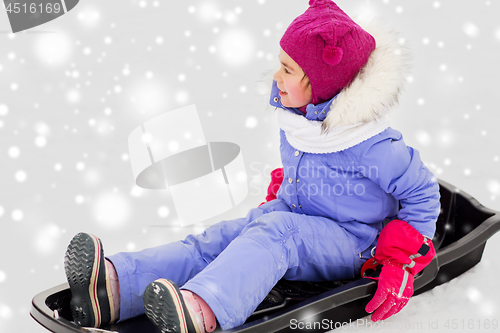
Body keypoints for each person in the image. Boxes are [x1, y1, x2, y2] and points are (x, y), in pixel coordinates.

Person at [63, 1, 441, 332]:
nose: (277, 76)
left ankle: (205, 309)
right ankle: (116, 288)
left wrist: (398, 260)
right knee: (225, 237)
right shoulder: (301, 120)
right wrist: (291, 188)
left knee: (279, 232)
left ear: (322, 84)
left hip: (356, 243)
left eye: (288, 70)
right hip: (299, 215)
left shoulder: (372, 144)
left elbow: (423, 193)